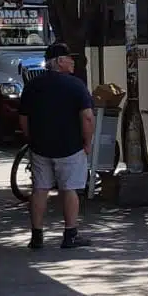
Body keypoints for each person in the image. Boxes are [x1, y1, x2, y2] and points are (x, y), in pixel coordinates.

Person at [17, 43, 95, 250]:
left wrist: (31, 139)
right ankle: (70, 235)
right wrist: (87, 143)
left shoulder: (33, 86)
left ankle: (37, 236)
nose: (72, 62)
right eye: (69, 58)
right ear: (60, 61)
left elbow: (23, 118)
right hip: (71, 147)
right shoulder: (76, 86)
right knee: (69, 189)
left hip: (40, 147)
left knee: (39, 189)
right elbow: (87, 117)